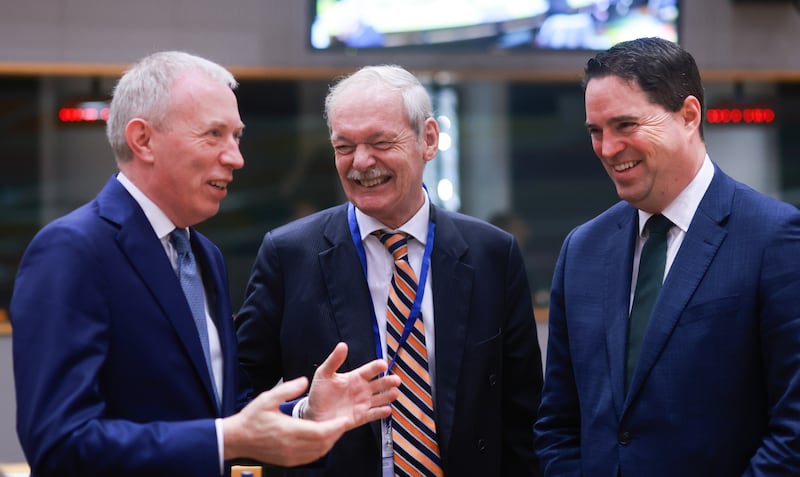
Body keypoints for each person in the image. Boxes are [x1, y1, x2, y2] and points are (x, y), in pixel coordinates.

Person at [10, 51, 399, 477]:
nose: (236, 157)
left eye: (237, 136)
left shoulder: (203, 255)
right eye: (214, 134)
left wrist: (306, 411)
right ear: (143, 140)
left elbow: (221, 410)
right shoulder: (73, 250)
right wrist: (226, 438)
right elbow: (59, 444)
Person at [236, 64, 543, 476]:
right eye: (344, 147)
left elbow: (524, 414)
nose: (361, 162)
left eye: (380, 142)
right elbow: (234, 400)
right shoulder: (289, 254)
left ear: (428, 140)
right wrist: (305, 413)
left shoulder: (491, 253)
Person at [534, 37, 800, 476]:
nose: (607, 148)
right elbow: (559, 421)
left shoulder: (774, 237)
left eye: (625, 125)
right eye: (595, 131)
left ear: (689, 115)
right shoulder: (582, 249)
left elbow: (792, 427)